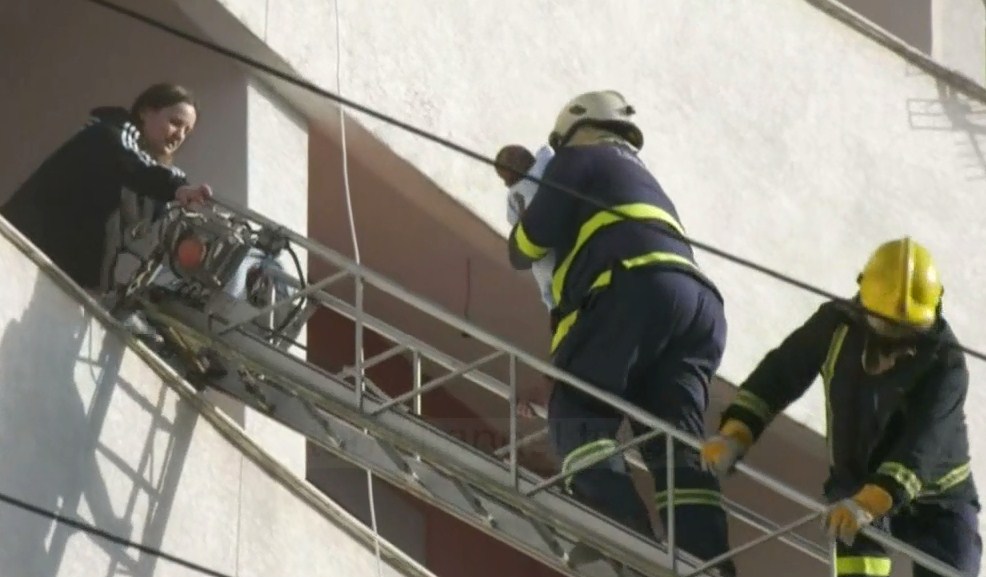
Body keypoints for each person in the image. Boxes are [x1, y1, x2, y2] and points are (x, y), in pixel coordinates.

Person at [507, 90, 736, 576]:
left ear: (574, 130)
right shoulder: (640, 178)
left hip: (633, 287)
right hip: (700, 309)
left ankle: (622, 539)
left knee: (577, 413)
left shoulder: (577, 158)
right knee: (675, 446)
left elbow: (531, 240)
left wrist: (522, 216)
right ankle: (708, 564)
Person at [701, 237, 981, 577]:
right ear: (861, 300)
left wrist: (868, 504)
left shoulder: (946, 363)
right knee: (857, 558)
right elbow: (777, 377)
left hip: (939, 501)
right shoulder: (835, 326)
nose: (898, 343)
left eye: (912, 331)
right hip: (856, 485)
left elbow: (918, 450)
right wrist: (735, 434)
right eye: (887, 327)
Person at [1, 82, 212, 296]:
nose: (179, 136)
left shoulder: (153, 173)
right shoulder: (107, 134)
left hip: (62, 279)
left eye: (187, 132)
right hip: (19, 250)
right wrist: (178, 188)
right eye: (175, 123)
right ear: (145, 112)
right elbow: (134, 166)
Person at [496, 143, 556, 312]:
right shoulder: (556, 166)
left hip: (560, 279)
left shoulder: (518, 196)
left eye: (505, 179)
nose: (505, 185)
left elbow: (522, 246)